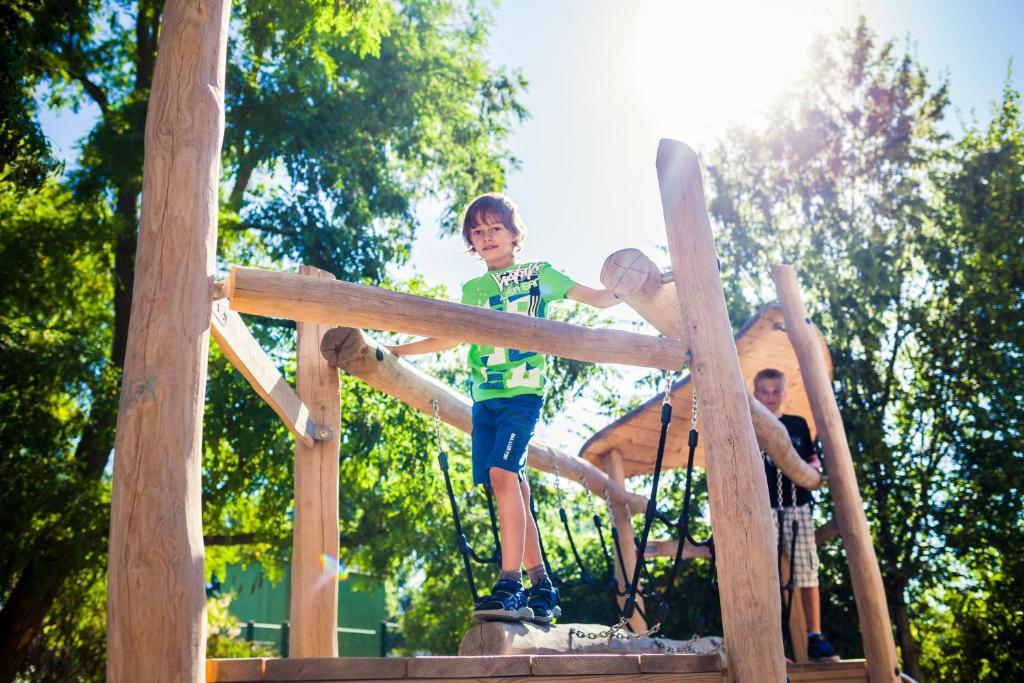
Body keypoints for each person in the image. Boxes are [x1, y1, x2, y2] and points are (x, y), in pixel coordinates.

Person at [387, 193, 620, 623]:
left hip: (522, 394)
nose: (487, 236)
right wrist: (401, 349)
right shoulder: (472, 290)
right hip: (486, 400)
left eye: (495, 227)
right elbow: (452, 336)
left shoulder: (538, 274)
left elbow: (601, 298)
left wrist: (635, 284)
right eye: (477, 231)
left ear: (515, 235)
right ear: (470, 244)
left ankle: (510, 582)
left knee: (502, 474)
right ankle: (542, 585)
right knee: (511, 486)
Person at [752, 368, 840, 662]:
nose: (770, 397)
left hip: (797, 505)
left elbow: (812, 459)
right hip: (763, 509)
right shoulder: (748, 424)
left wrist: (813, 472)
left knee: (806, 568)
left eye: (776, 391)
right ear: (755, 393)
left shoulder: (797, 424)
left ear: (784, 393)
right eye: (764, 391)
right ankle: (770, 639)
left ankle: (814, 636)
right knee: (765, 574)